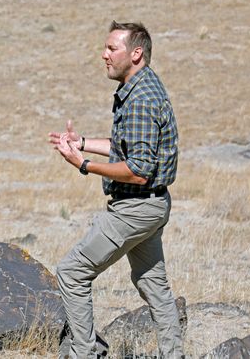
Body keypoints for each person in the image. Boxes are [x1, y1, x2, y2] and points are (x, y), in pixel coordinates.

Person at [48, 21, 183, 358]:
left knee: (72, 272)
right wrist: (81, 142)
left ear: (135, 53)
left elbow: (137, 171)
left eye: (112, 49)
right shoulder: (143, 87)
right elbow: (127, 147)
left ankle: (84, 353)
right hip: (152, 206)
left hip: (135, 209)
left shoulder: (140, 99)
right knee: (155, 287)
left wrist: (83, 164)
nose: (103, 55)